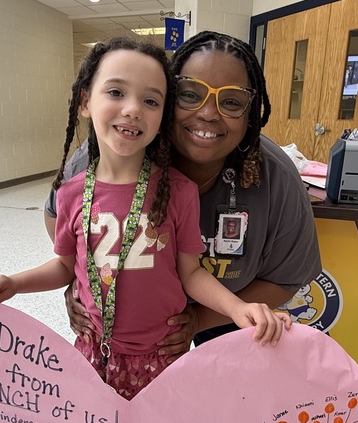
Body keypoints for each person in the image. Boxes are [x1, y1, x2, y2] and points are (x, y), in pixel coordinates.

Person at [0, 36, 291, 423]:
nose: (131, 110)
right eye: (115, 93)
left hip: (161, 359)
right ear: (85, 102)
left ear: (162, 116)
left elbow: (192, 274)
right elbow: (64, 266)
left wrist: (237, 309)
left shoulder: (179, 193)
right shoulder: (73, 193)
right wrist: (15, 282)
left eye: (151, 100)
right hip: (93, 356)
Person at [46, 30, 321, 360]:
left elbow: (286, 278)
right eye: (189, 95)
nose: (208, 113)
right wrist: (85, 280)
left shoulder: (276, 177)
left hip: (229, 307)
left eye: (232, 102)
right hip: (128, 324)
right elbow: (57, 216)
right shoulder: (111, 152)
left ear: (250, 114)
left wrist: (200, 320)